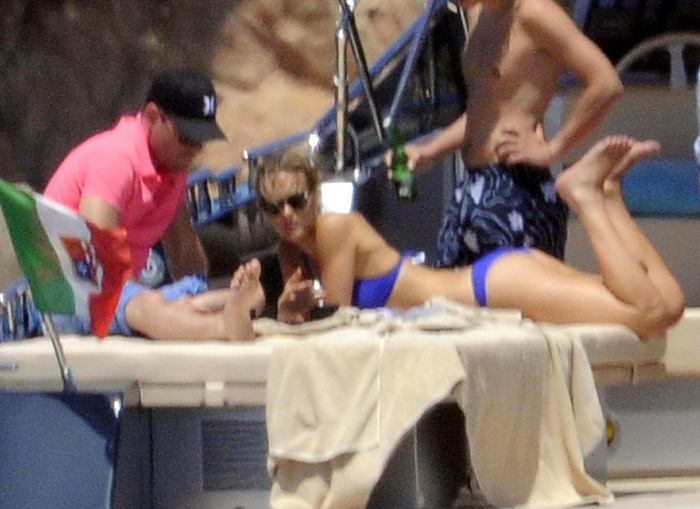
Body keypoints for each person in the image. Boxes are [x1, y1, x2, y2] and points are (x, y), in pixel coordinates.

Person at [258, 143, 683, 340]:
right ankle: (611, 195)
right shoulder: (292, 252)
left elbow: (335, 326)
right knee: (667, 306)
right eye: (273, 207)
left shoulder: (334, 229)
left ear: (315, 196)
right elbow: (308, 325)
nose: (287, 214)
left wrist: (288, 314)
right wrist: (287, 309)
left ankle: (585, 196)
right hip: (499, 279)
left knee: (645, 314)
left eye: (296, 200)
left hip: (491, 289)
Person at [388, 0, 623, 267]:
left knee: (516, 293)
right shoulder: (478, 14)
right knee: (449, 291)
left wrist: (552, 149)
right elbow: (486, 110)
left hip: (517, 189)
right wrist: (429, 151)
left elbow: (606, 83)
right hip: (471, 188)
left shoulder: (534, 12)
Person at [44, 68, 225, 282]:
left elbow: (184, 254)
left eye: (202, 139)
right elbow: (97, 254)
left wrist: (201, 292)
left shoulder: (172, 166)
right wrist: (145, 300)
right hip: (66, 287)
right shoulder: (117, 159)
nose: (196, 149)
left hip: (113, 290)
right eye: (188, 138)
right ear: (152, 116)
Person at [20, 259, 265, 342]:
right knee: (142, 305)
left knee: (170, 302)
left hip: (63, 287)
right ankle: (225, 323)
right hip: (43, 304)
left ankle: (239, 303)